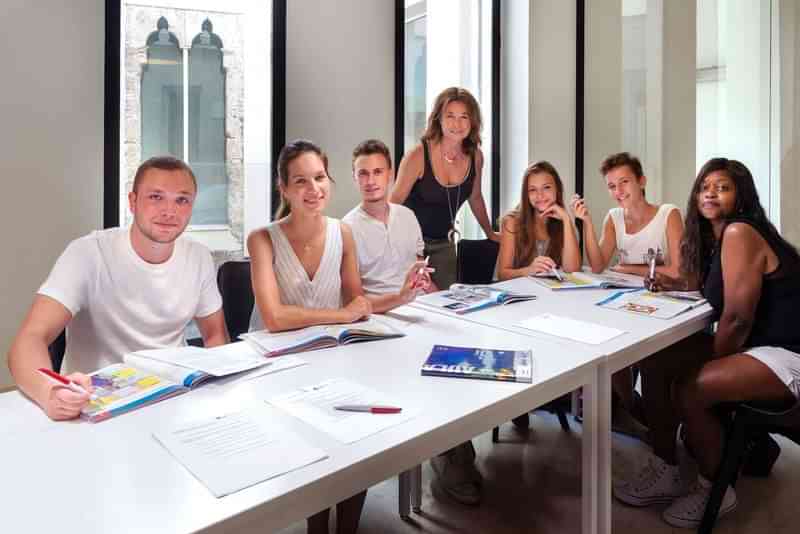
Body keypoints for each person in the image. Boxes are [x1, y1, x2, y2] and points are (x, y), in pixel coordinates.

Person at [8, 156, 228, 421]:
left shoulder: (199, 256)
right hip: (96, 404)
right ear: (133, 201)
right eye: (156, 197)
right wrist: (49, 391)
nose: (169, 211)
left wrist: (216, 393)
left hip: (173, 398)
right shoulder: (88, 253)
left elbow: (216, 336)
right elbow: (30, 338)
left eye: (181, 200)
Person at [656, 159, 800, 528]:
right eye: (705, 186)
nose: (710, 192)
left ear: (742, 197)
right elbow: (717, 295)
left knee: (692, 387)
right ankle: (668, 467)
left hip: (787, 354)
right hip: (760, 348)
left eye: (723, 187)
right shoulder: (721, 239)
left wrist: (711, 361)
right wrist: (673, 286)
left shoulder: (739, 232)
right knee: (658, 359)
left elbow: (737, 320)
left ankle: (715, 489)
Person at [247, 139, 369, 534]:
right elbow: (275, 317)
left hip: (330, 355)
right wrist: (341, 316)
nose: (313, 189)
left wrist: (399, 296)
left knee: (357, 432)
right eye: (300, 181)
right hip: (276, 363)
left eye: (319, 177)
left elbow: (357, 303)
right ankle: (316, 526)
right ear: (283, 188)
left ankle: (347, 527)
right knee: (315, 440)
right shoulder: (262, 239)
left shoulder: (344, 233)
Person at [572, 152, 684, 422]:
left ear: (641, 181)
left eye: (624, 182)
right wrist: (586, 222)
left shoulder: (669, 214)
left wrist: (627, 268)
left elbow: (677, 271)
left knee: (645, 355)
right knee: (605, 337)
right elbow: (599, 265)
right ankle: (629, 403)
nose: (618, 191)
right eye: (612, 186)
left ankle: (645, 410)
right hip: (625, 299)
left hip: (662, 299)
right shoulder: (614, 217)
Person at [390, 87, 499, 290]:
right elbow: (392, 207)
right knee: (415, 302)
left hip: (444, 243)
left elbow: (475, 197)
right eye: (450, 116)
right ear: (438, 119)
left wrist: (489, 232)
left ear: (472, 122)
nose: (457, 124)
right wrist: (404, 250)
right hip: (410, 245)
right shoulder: (418, 155)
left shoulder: (475, 156)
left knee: (447, 301)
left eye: (464, 117)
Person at [343, 139, 433, 311]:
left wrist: (443, 301)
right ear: (354, 177)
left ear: (390, 175)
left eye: (377, 172)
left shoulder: (408, 216)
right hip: (378, 315)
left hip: (421, 307)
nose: (370, 181)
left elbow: (422, 277)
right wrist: (400, 299)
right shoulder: (347, 229)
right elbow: (353, 302)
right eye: (363, 173)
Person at [497, 160, 581, 280]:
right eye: (532, 190)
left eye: (546, 187)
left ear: (557, 189)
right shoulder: (512, 222)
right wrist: (530, 270)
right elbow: (502, 274)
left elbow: (572, 270)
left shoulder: (565, 224)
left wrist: (567, 220)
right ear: (526, 194)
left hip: (551, 294)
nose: (540, 195)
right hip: (521, 293)